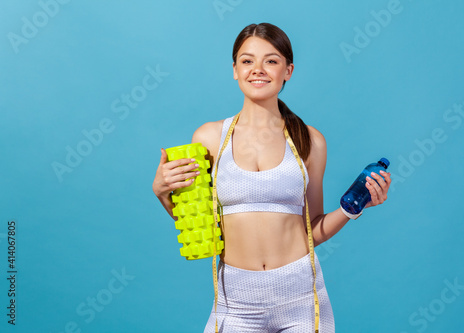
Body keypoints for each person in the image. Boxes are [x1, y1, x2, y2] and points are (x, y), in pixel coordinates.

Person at [152, 23, 392, 333]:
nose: (258, 69)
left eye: (272, 60)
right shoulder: (210, 138)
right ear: (235, 70)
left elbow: (312, 229)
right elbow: (200, 229)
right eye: (247, 60)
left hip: (301, 299)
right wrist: (162, 193)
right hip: (235, 302)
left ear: (288, 70)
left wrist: (352, 208)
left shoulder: (310, 141)